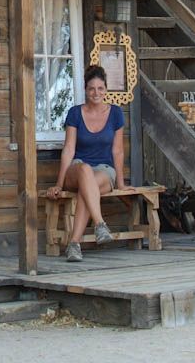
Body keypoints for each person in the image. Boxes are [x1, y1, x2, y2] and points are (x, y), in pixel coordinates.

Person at [46, 64, 133, 262]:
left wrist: (120, 183)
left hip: (104, 170)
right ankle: (100, 223)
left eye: (100, 88)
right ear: (86, 89)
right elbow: (68, 149)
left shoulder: (116, 114)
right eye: (92, 88)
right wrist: (59, 184)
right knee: (85, 171)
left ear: (106, 90)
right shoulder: (75, 113)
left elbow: (117, 150)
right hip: (77, 168)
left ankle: (74, 245)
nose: (96, 92)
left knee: (87, 190)